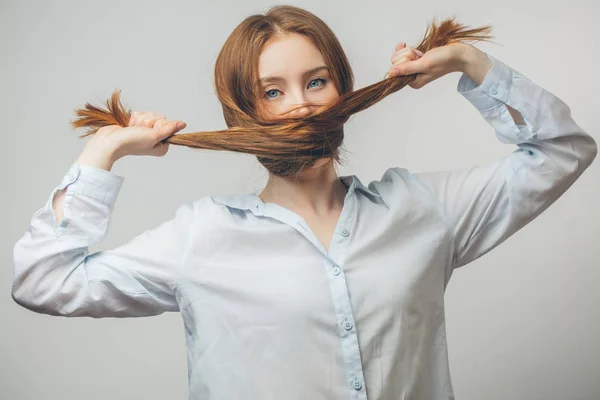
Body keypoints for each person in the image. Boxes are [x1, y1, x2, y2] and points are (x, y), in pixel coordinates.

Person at [11, 5, 596, 400]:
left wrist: (472, 64)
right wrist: (102, 153)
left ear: (341, 88)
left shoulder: (423, 210)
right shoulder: (202, 237)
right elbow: (42, 281)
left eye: (317, 82)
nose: (301, 106)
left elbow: (562, 151)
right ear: (244, 112)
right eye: (273, 91)